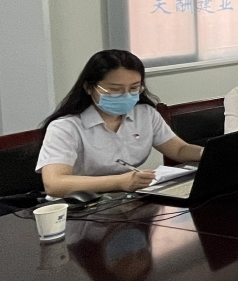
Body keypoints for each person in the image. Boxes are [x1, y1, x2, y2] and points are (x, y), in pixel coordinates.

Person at [36, 50, 203, 198]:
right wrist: (120, 182)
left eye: (134, 88)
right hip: (78, 205)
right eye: (115, 89)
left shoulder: (145, 114)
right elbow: (54, 184)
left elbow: (179, 150)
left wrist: (209, 153)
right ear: (88, 87)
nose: (126, 96)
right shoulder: (65, 127)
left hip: (124, 199)